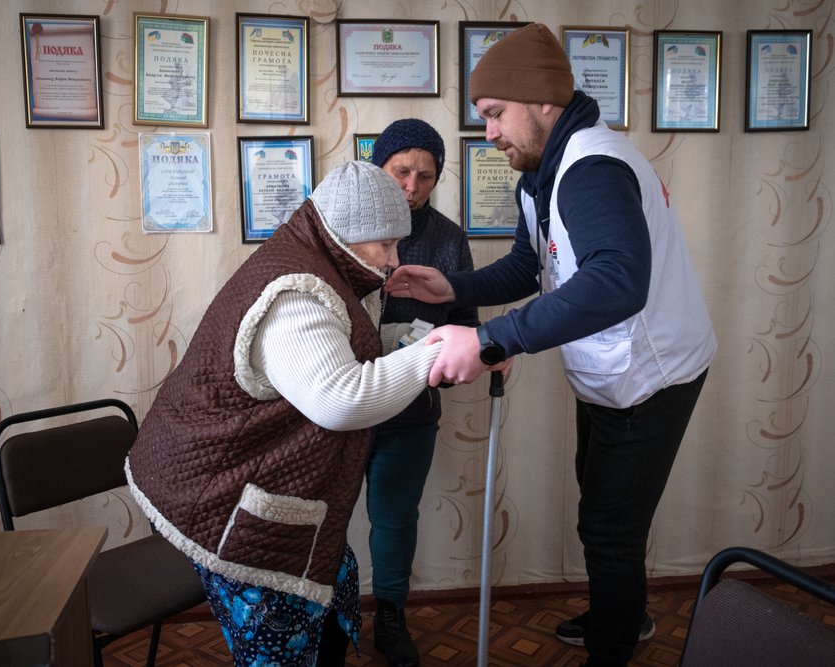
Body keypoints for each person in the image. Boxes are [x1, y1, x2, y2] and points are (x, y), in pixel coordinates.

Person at [385, 23, 717, 667]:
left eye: (494, 114)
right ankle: (618, 611)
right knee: (598, 506)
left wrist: (490, 338)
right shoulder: (542, 174)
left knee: (608, 529)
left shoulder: (591, 167)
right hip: (607, 367)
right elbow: (529, 266)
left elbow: (618, 280)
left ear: (543, 101)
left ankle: (614, 645)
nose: (489, 132)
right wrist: (447, 286)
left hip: (651, 374)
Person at [125, 161, 445, 666]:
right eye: (385, 245)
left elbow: (324, 357)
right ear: (345, 236)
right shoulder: (299, 293)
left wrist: (405, 345)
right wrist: (437, 350)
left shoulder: (307, 261)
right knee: (281, 644)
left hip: (235, 476)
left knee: (333, 588)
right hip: (221, 492)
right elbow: (341, 398)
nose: (392, 259)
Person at [367, 119, 479, 667]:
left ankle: (389, 615)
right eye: (401, 171)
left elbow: (465, 320)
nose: (411, 186)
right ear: (378, 167)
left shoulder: (449, 239)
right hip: (338, 403)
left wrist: (450, 357)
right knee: (322, 514)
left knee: (394, 517)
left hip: (411, 406)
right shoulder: (345, 227)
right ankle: (329, 611)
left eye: (426, 176)